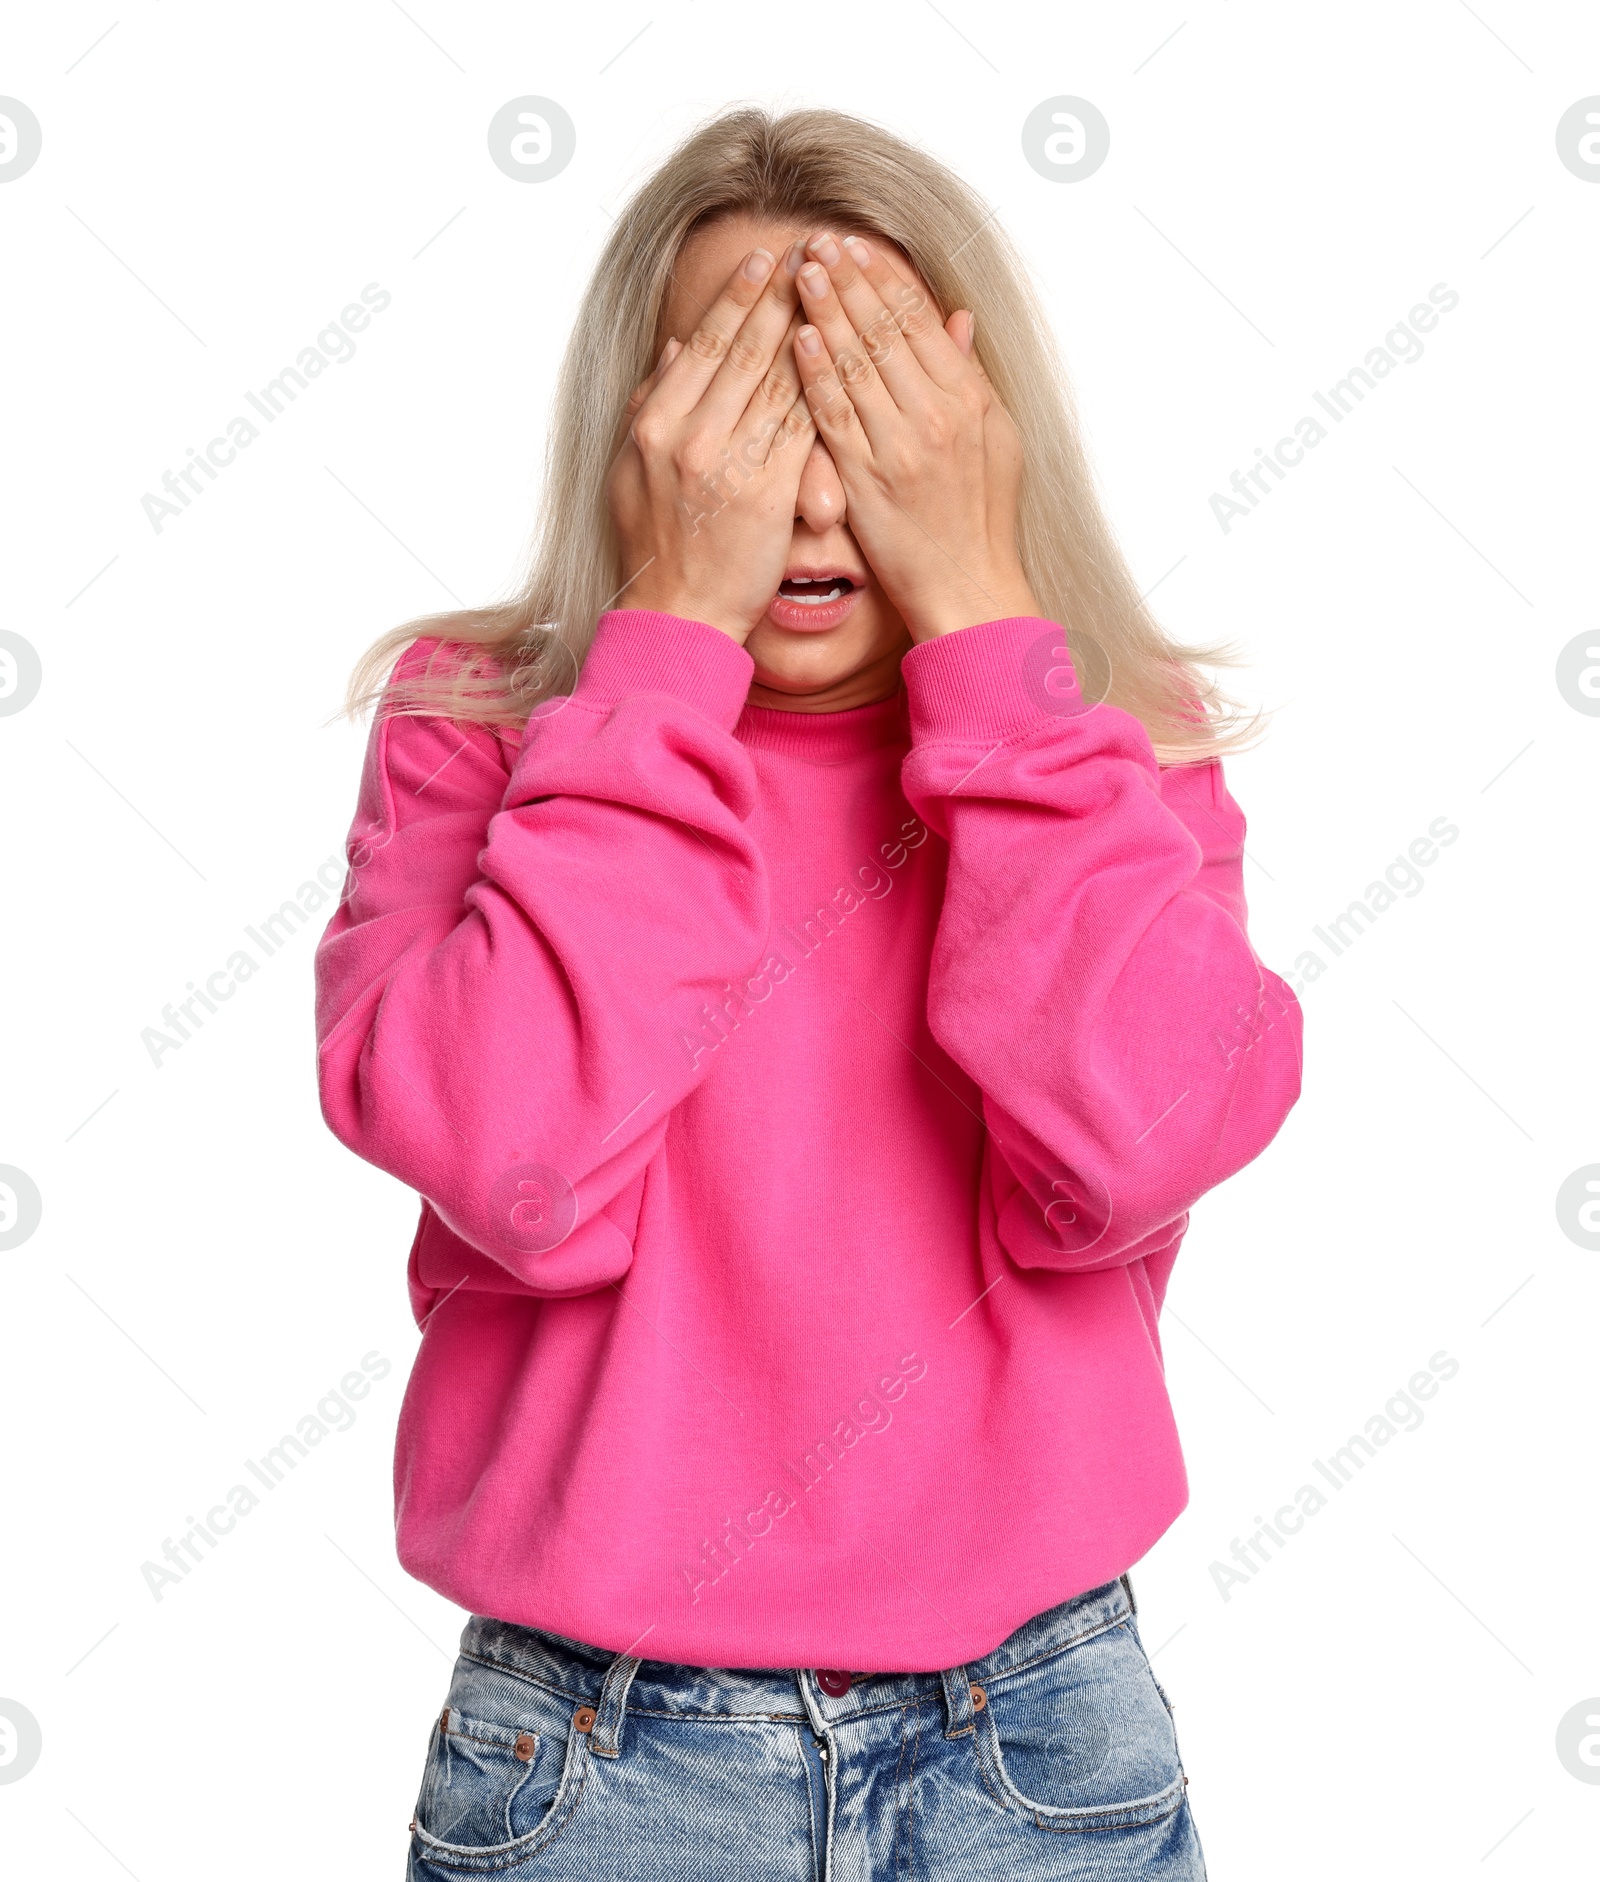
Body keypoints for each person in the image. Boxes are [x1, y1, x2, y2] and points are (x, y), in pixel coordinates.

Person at [315, 106, 1302, 1880]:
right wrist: (666, 649)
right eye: (751, 409)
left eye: (867, 409)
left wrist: (997, 633)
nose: (813, 494)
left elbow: (1141, 1143)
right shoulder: (476, 736)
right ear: (644, 432)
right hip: (596, 1745)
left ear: (973, 434)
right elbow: (512, 1162)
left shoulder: (1101, 748)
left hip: (1040, 1733)